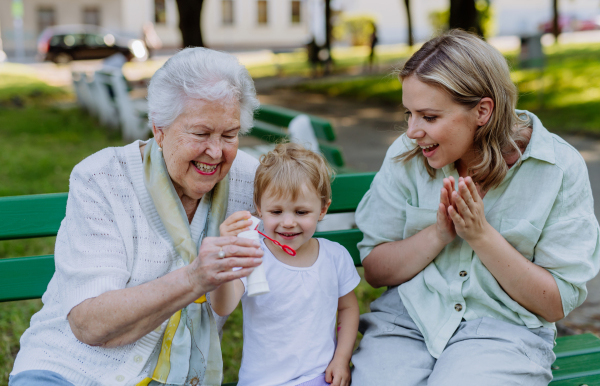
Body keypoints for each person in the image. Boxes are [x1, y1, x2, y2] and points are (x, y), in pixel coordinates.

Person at [351, 29, 600, 385]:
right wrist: (438, 235)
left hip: (504, 331)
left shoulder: (557, 168)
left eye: (429, 117)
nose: (412, 131)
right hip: (408, 322)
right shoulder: (406, 156)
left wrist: (481, 236)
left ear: (482, 111)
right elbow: (375, 270)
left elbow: (555, 303)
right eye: (409, 114)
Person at [10, 48, 264, 386]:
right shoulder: (102, 178)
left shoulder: (250, 180)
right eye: (201, 134)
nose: (216, 152)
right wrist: (194, 278)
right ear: (159, 129)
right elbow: (89, 324)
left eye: (229, 135)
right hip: (69, 368)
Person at [211, 143, 361, 386]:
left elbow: (348, 308)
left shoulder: (334, 257)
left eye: (301, 212)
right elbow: (223, 306)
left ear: (323, 209)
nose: (288, 222)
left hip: (319, 377)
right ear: (259, 209)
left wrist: (342, 358)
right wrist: (223, 258)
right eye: (276, 211)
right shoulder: (251, 254)